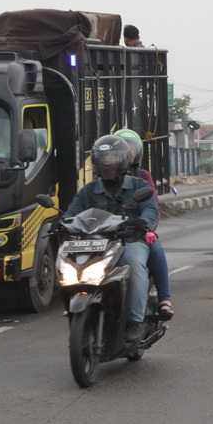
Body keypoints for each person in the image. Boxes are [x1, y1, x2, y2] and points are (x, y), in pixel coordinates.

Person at [64, 135, 159, 343]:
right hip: (98, 244)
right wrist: (62, 223)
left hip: (129, 241)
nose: (107, 163)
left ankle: (136, 320)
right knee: (69, 263)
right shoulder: (88, 191)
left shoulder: (138, 185)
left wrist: (142, 223)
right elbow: (71, 213)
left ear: (123, 161)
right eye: (103, 159)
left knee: (134, 263)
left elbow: (151, 209)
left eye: (112, 158)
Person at [114, 128, 174, 320]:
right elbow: (84, 206)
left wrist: (146, 226)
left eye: (130, 149)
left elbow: (152, 205)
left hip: (135, 231)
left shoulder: (142, 177)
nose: (128, 153)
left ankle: (164, 298)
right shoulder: (99, 179)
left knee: (155, 246)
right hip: (107, 233)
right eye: (123, 149)